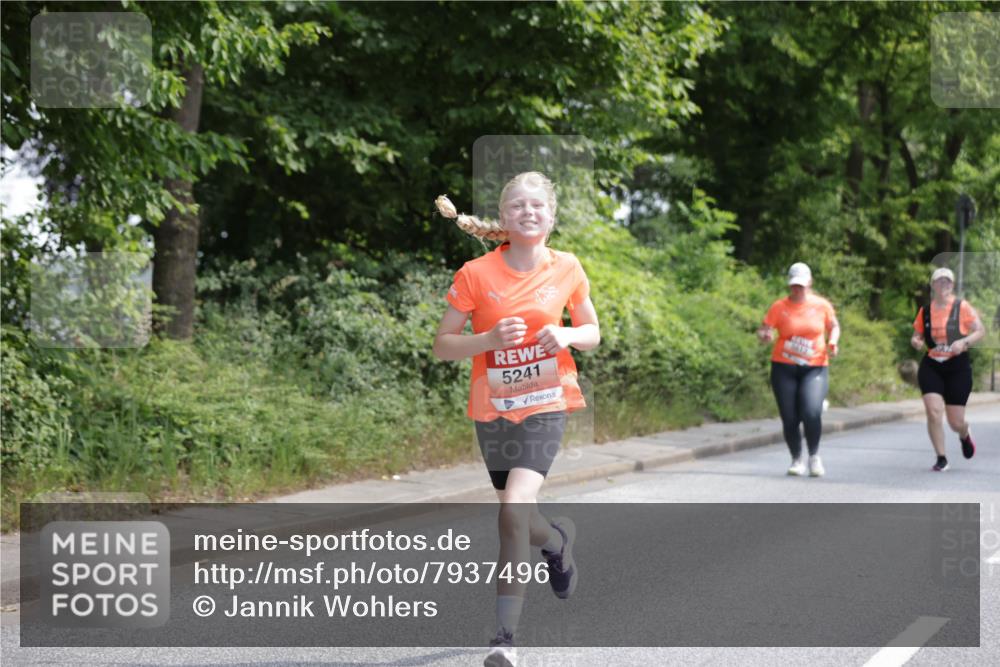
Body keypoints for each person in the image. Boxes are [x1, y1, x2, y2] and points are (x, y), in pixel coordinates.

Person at [432, 171, 600, 667]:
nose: (528, 212)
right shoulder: (475, 273)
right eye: (518, 206)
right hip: (495, 410)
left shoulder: (567, 267)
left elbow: (591, 330)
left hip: (548, 403)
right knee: (520, 517)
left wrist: (567, 337)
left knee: (512, 509)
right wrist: (485, 342)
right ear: (504, 218)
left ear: (551, 217)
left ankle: (504, 638)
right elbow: (443, 345)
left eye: (537, 206)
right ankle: (558, 542)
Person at [757, 262, 840, 477]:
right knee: (790, 416)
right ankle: (796, 458)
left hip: (814, 367)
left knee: (811, 411)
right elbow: (765, 329)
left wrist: (833, 341)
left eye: (801, 286)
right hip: (784, 367)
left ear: (810, 283)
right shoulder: (779, 307)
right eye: (794, 285)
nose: (797, 289)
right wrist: (765, 336)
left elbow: (834, 326)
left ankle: (814, 456)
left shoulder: (821, 305)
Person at [910, 267, 985, 471]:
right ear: (933, 285)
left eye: (947, 282)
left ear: (952, 285)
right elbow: (917, 334)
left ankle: (964, 433)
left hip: (957, 366)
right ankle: (941, 457)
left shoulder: (963, 307)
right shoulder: (925, 311)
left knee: (955, 422)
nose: (943, 285)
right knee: (933, 412)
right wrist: (916, 340)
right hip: (932, 364)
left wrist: (965, 343)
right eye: (939, 282)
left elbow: (980, 330)